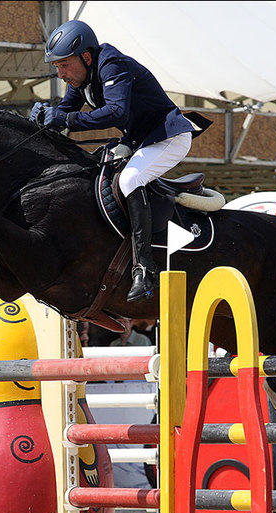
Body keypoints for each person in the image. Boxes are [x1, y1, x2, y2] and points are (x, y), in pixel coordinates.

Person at [31, 20, 210, 302]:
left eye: (64, 65)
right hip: (140, 140)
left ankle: (144, 269)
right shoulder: (82, 77)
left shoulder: (112, 64)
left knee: (129, 179)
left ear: (86, 57)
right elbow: (65, 111)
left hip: (168, 137)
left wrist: (65, 119)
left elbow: (116, 112)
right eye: (57, 67)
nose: (61, 74)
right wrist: (41, 117)